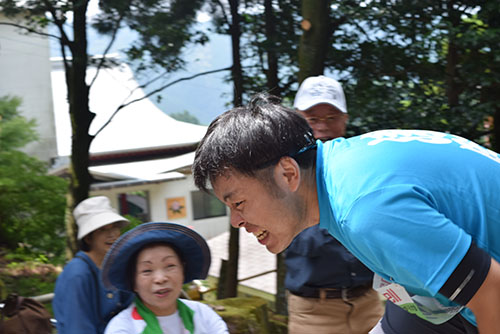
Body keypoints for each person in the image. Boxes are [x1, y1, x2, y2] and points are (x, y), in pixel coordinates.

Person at [191, 93, 500, 334]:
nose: (236, 221)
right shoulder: (343, 171)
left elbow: (492, 292)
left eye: (239, 202)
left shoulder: (364, 209)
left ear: (287, 174)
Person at [285, 76, 383, 334]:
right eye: (313, 119)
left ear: (345, 119)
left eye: (331, 117)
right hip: (313, 310)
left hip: (369, 301)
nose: (323, 127)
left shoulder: (364, 162)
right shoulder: (281, 168)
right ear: (296, 120)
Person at [101, 222, 229, 334]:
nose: (160, 278)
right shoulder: (123, 328)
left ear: (182, 269)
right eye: (147, 270)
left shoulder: (204, 316)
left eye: (170, 266)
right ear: (133, 281)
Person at [53, 196, 134, 334]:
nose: (112, 234)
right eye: (102, 229)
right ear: (88, 237)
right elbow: (77, 327)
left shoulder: (116, 266)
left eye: (115, 227)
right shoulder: (77, 274)